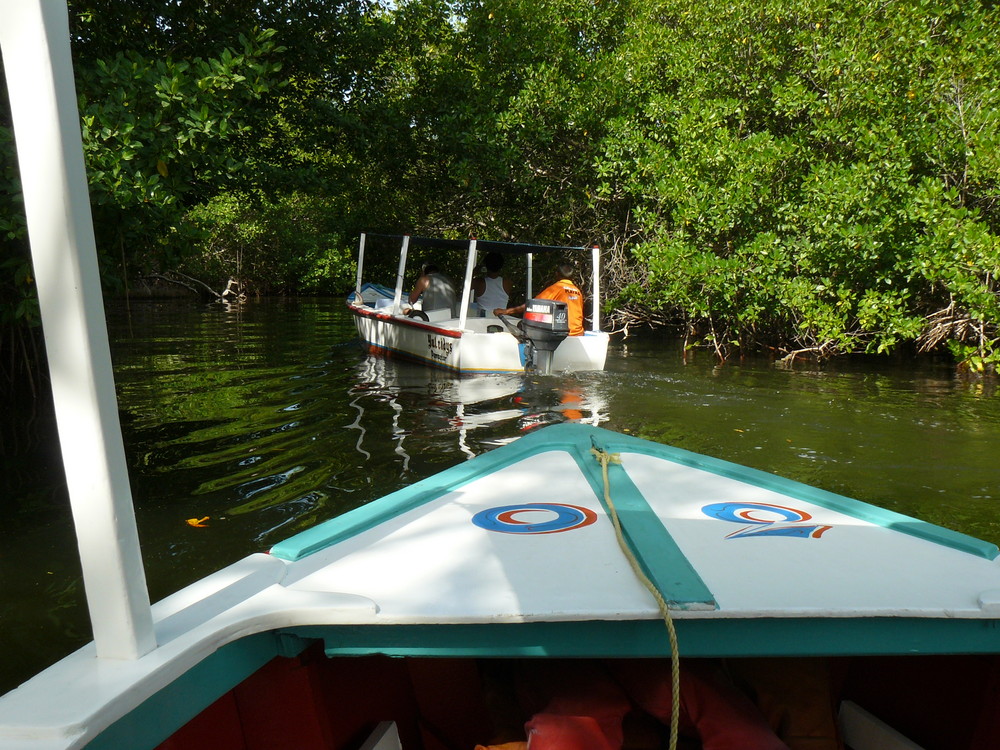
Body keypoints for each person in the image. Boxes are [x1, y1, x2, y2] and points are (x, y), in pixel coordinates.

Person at [493, 263, 584, 336]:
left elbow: (532, 306)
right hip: (578, 333)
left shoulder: (556, 288)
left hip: (564, 334)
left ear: (557, 274)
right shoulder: (578, 292)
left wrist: (506, 311)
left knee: (522, 324)